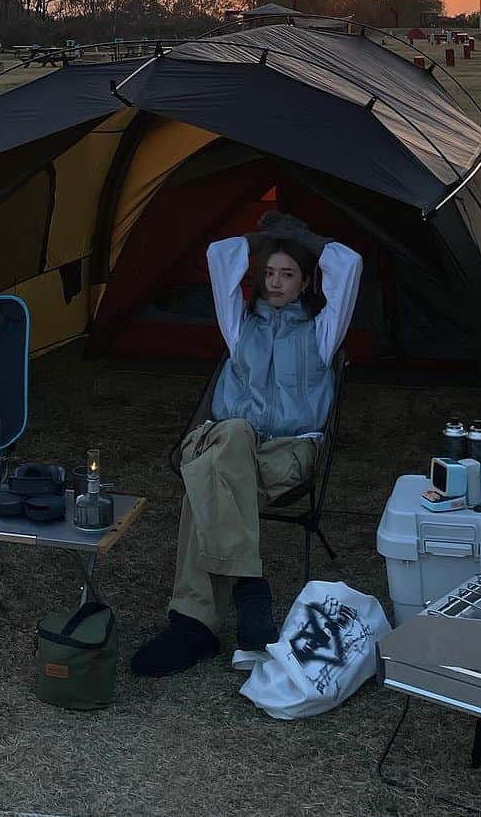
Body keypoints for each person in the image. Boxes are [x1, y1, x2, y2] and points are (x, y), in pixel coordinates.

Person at [131, 212, 363, 678]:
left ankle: (193, 621)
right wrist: (265, 239)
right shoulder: (239, 328)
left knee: (208, 481)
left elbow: (349, 264)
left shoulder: (321, 334)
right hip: (229, 440)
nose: (276, 283)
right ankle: (250, 591)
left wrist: (303, 238)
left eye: (288, 274)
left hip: (288, 451)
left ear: (304, 284)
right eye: (270, 273)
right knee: (233, 434)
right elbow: (220, 256)